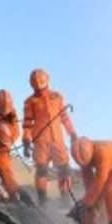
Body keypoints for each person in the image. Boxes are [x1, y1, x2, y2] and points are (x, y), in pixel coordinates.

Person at [22, 68, 78, 204]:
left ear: (47, 80)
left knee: (64, 169)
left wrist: (72, 133)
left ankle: (65, 198)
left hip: (57, 140)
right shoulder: (30, 101)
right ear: (32, 84)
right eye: (36, 84)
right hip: (40, 141)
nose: (39, 87)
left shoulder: (57, 96)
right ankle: (42, 199)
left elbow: (64, 117)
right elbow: (27, 123)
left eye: (40, 83)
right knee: (42, 170)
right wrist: (26, 140)